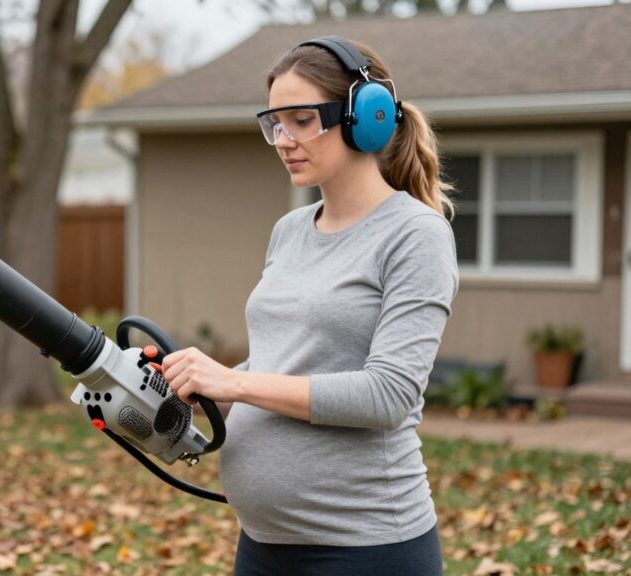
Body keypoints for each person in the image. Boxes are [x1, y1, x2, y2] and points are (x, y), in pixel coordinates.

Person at [160, 36, 458, 575]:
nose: (284, 139)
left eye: (303, 119)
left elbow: (389, 394)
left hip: (366, 550)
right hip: (263, 545)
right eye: (275, 122)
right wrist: (190, 388)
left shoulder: (416, 235)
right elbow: (281, 366)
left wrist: (236, 383)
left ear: (366, 117)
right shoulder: (290, 229)